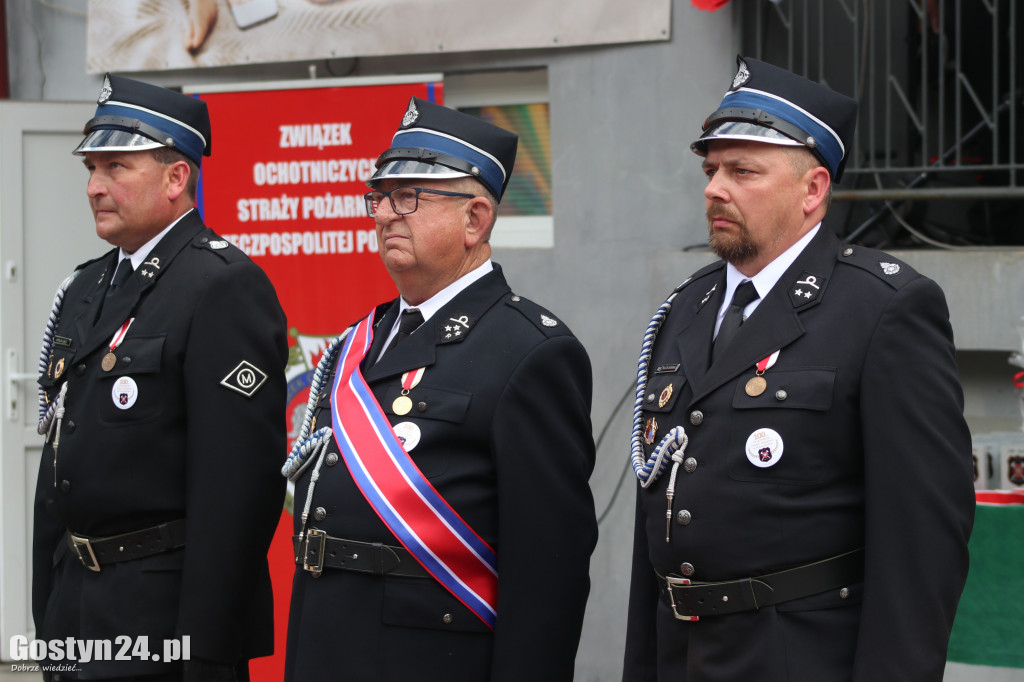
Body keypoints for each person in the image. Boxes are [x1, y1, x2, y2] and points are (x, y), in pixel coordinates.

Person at [622, 56, 975, 681]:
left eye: (742, 171)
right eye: (711, 170)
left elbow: (922, 544)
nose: (714, 188)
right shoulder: (687, 307)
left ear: (812, 190)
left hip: (801, 655)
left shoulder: (882, 308)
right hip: (681, 655)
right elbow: (658, 523)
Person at [283, 97, 598, 681]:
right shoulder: (360, 341)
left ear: (475, 219)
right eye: (380, 196)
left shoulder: (529, 351)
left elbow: (547, 575)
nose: (385, 214)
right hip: (327, 647)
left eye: (408, 197)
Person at [32, 74, 288, 681]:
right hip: (77, 609)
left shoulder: (221, 285)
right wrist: (46, 613)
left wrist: (204, 649)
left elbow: (238, 492)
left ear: (176, 178)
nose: (94, 187)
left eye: (115, 167)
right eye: (91, 169)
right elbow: (60, 463)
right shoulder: (86, 286)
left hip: (162, 619)